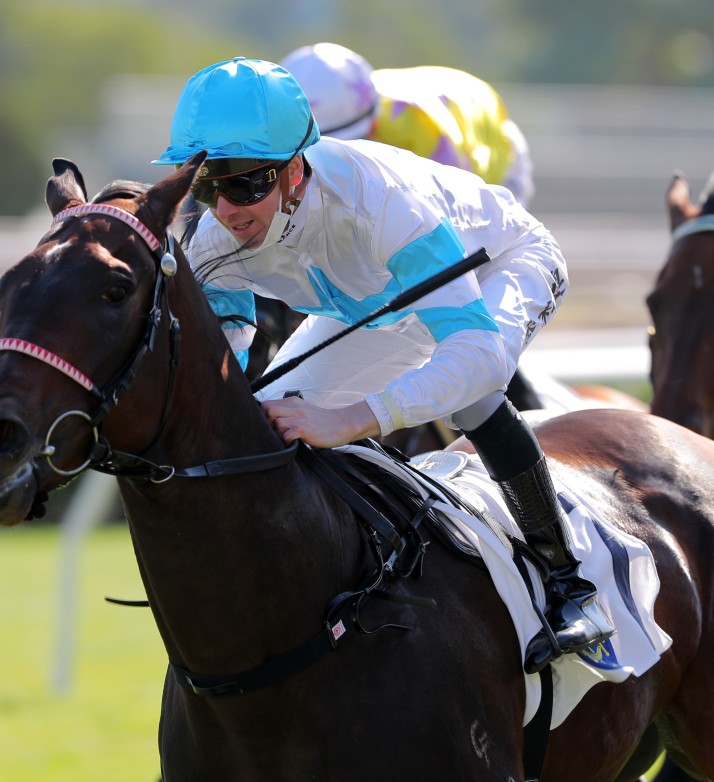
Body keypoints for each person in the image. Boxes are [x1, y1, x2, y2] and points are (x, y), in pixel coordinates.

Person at [152, 57, 613, 672]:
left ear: (296, 169)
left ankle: (570, 582)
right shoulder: (212, 242)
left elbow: (474, 354)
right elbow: (229, 353)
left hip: (498, 264)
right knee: (271, 422)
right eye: (209, 185)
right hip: (375, 303)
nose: (228, 209)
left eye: (247, 184)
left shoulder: (378, 200)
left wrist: (353, 420)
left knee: (471, 391)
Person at [280, 42, 536, 209]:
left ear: (374, 123)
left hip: (487, 140)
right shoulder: (359, 104)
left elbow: (461, 219)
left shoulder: (424, 132)